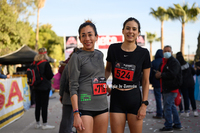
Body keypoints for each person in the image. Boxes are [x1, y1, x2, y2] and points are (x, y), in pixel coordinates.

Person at [105, 17, 151, 133]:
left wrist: (144, 105)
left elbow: (145, 81)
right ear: (123, 30)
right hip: (117, 99)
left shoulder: (144, 53)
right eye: (128, 28)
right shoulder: (113, 49)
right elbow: (108, 70)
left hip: (134, 99)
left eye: (134, 29)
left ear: (138, 33)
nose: (131, 31)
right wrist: (101, 83)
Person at [68, 20, 108, 133]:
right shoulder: (76, 57)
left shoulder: (100, 55)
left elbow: (98, 76)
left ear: (96, 37)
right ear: (80, 39)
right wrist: (76, 113)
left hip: (102, 106)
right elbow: (73, 86)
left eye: (90, 34)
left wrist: (108, 88)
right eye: (83, 35)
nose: (87, 39)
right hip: (85, 107)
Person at [155, 45, 183, 132]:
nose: (167, 52)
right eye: (165, 51)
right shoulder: (163, 62)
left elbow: (173, 74)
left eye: (168, 51)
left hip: (172, 88)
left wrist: (161, 75)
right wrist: (157, 75)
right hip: (165, 88)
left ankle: (168, 126)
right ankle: (177, 124)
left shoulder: (174, 62)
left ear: (171, 52)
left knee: (167, 107)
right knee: (172, 106)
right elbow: (159, 72)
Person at [33, 48, 55, 130]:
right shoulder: (46, 63)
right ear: (45, 54)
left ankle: (37, 123)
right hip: (45, 87)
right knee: (44, 106)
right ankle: (45, 124)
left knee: (38, 105)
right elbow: (50, 75)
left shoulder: (34, 63)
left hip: (36, 87)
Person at [59, 48, 79, 133]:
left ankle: (66, 131)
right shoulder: (82, 65)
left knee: (66, 118)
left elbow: (62, 82)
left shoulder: (67, 65)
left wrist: (61, 94)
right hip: (79, 96)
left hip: (67, 96)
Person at [176, 51, 198, 117]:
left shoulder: (178, 66)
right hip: (191, 83)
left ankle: (187, 111)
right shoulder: (188, 65)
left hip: (183, 84)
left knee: (186, 98)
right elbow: (194, 72)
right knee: (192, 97)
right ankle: (195, 111)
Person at [149, 49, 163, 119]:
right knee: (165, 100)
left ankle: (159, 113)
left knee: (158, 99)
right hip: (165, 84)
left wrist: (151, 81)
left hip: (156, 83)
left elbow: (150, 74)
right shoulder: (165, 62)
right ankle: (166, 113)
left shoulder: (153, 62)